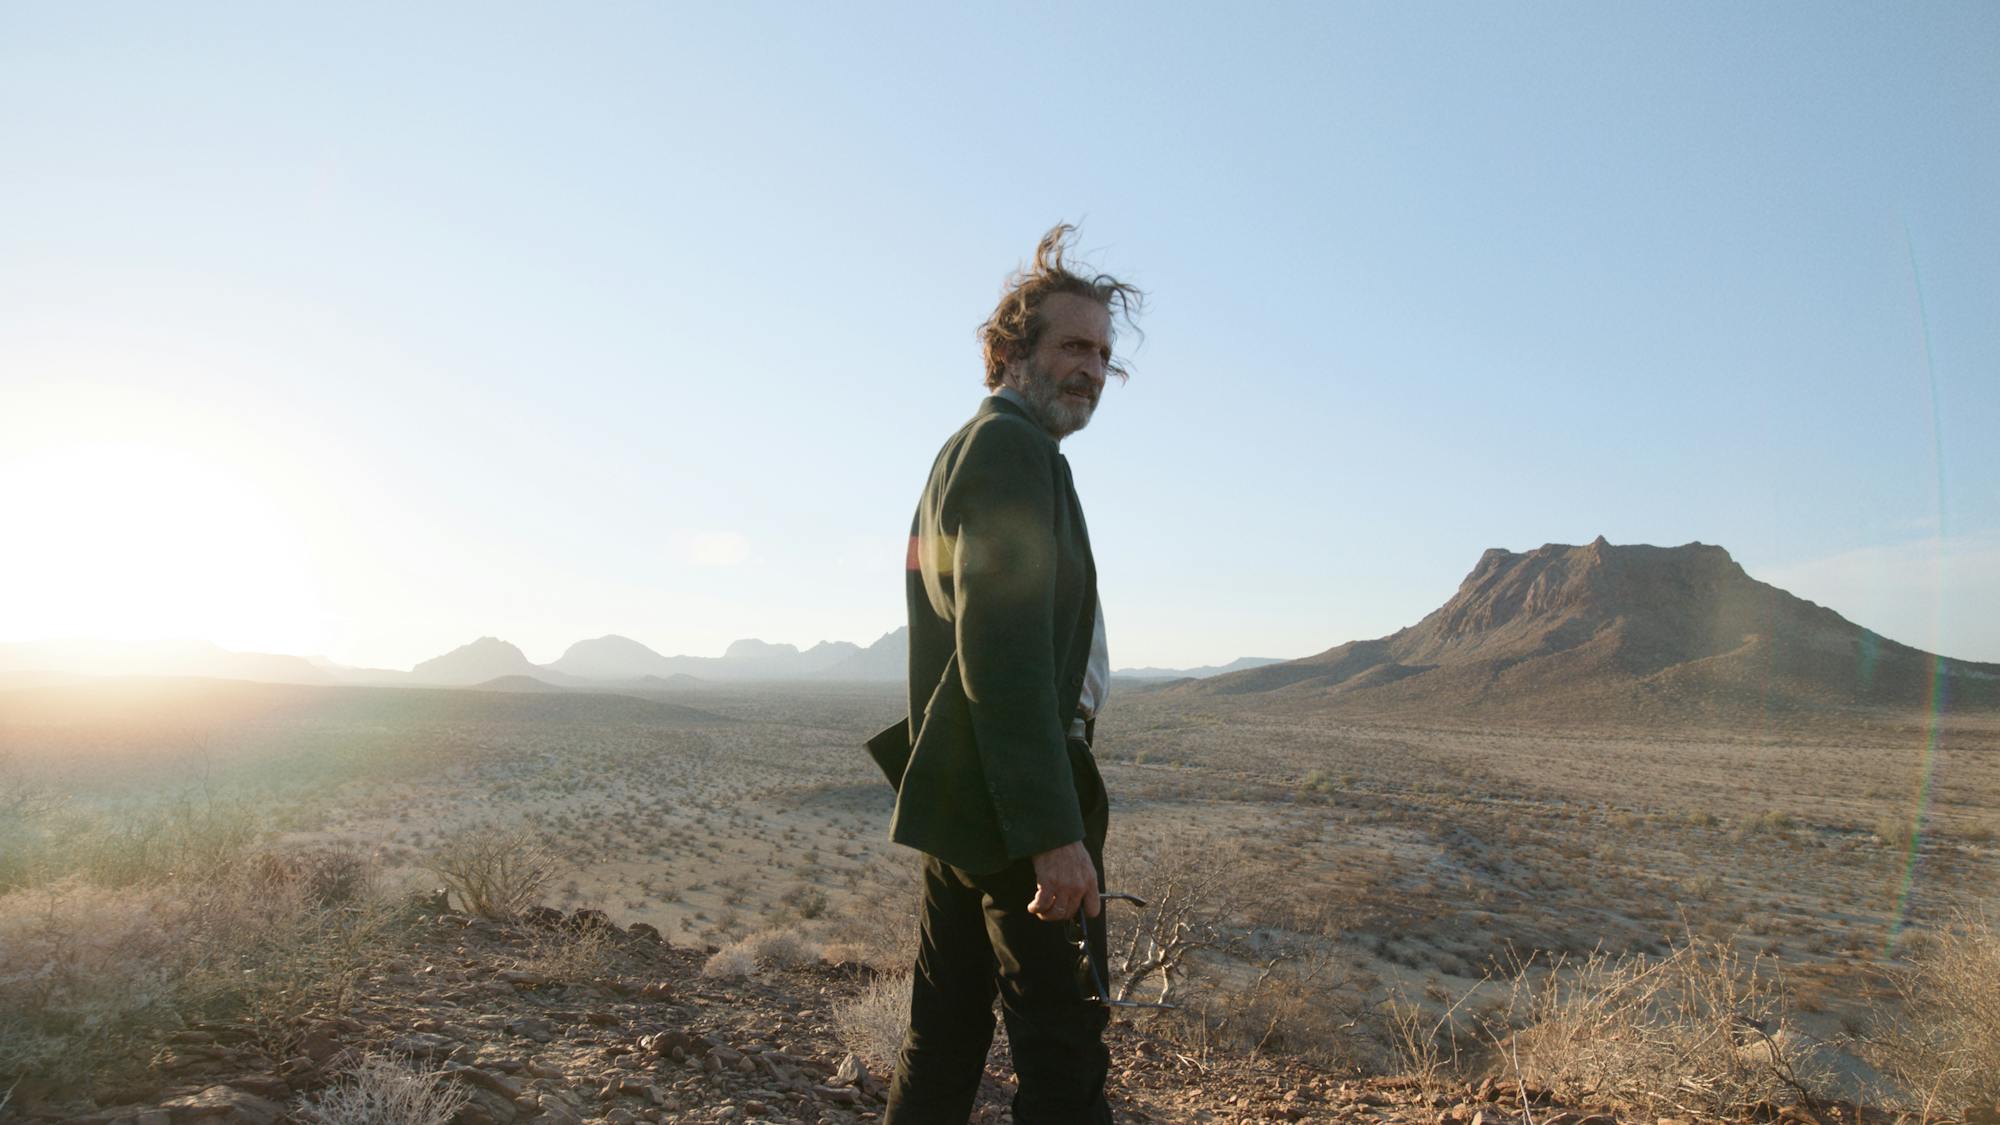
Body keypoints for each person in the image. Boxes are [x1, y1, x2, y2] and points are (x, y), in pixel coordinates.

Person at [864, 223, 1143, 1124]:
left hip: (962, 792)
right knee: (1062, 1047)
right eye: (1072, 345)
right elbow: (1003, 652)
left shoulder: (977, 452)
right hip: (1015, 801)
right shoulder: (1010, 451)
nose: (1092, 369)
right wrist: (1051, 832)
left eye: (1103, 354)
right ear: (1012, 350)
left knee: (943, 1032)